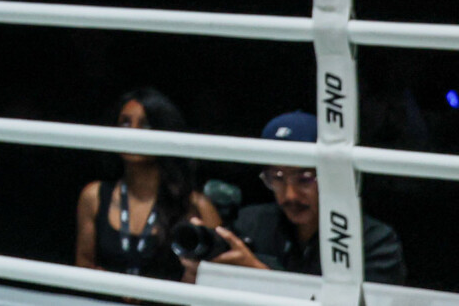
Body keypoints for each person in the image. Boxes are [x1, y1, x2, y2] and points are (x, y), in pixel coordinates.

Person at [205, 110, 407, 283]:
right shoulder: (249, 223)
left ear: (333, 175)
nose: (290, 195)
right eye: (277, 178)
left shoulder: (374, 243)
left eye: (304, 179)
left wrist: (262, 278)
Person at [73, 88, 222, 280]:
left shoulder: (194, 204)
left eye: (145, 125)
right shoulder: (94, 195)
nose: (133, 133)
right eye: (125, 123)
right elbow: (83, 266)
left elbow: (218, 277)